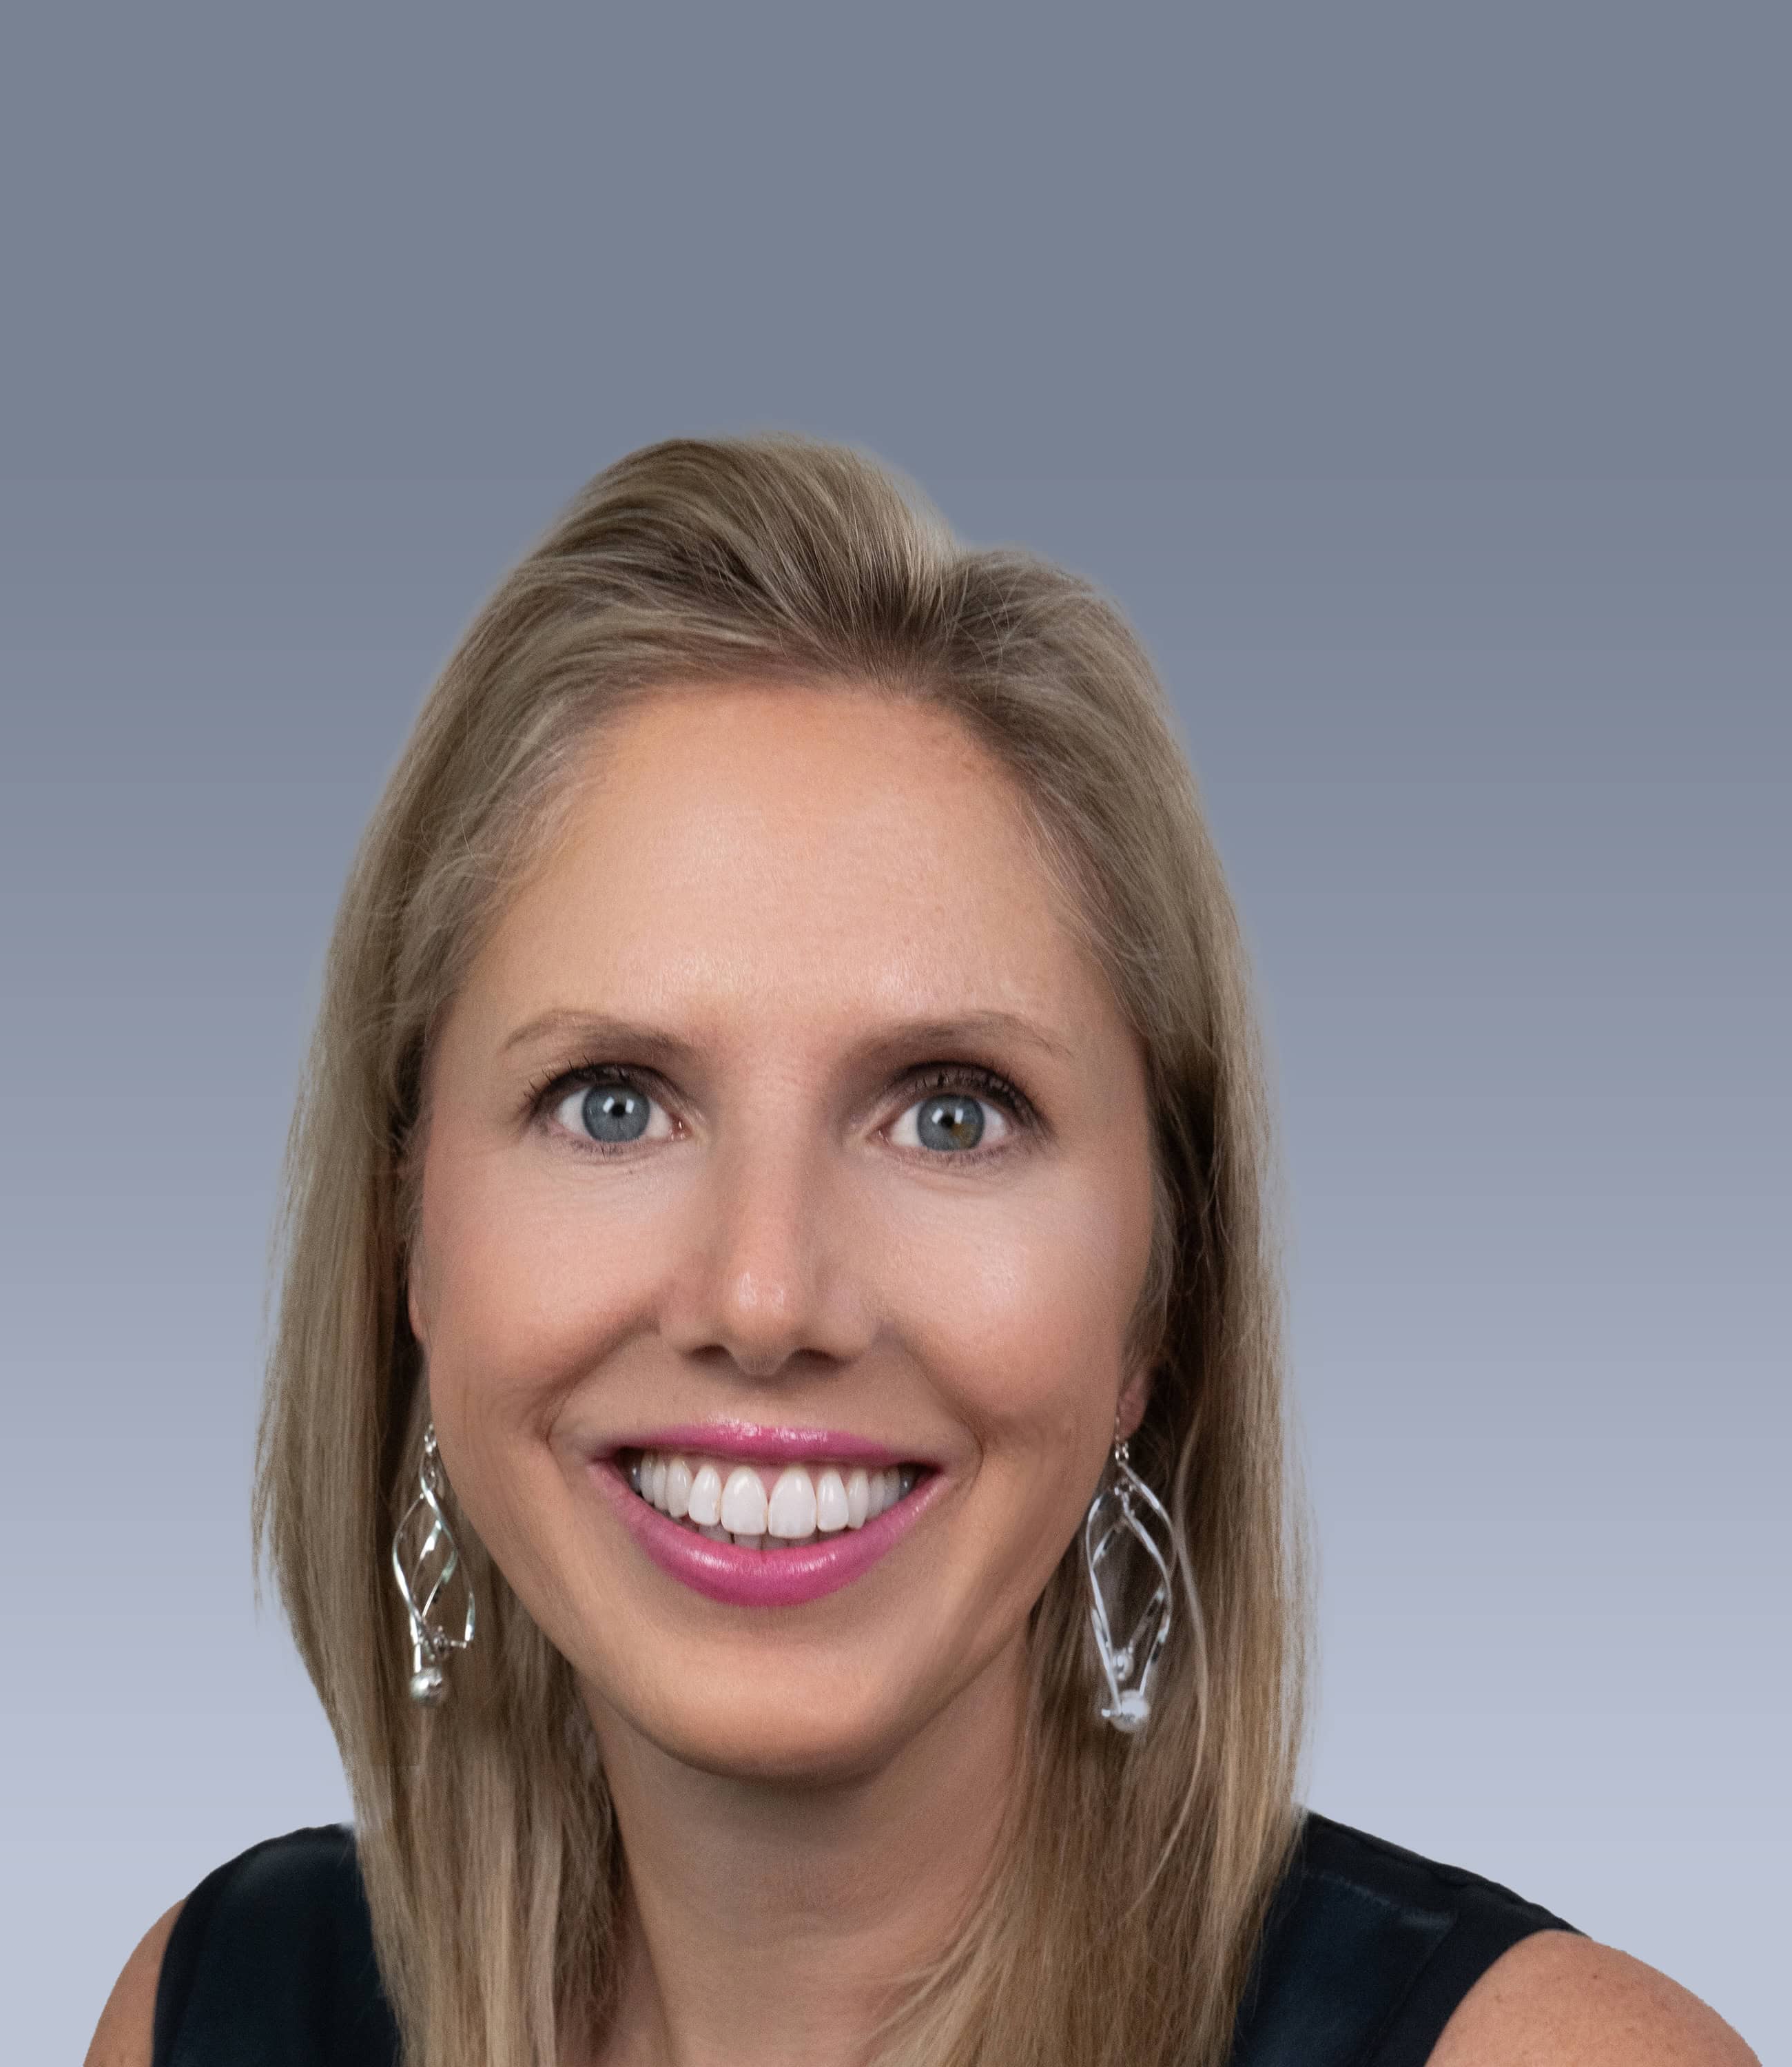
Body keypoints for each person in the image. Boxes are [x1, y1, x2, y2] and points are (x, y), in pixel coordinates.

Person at [86, 437, 1755, 2067]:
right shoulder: (216, 2013)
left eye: (951, 1115)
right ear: (409, 1241)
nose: (764, 1296)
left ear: (1159, 1298)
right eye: (612, 1104)